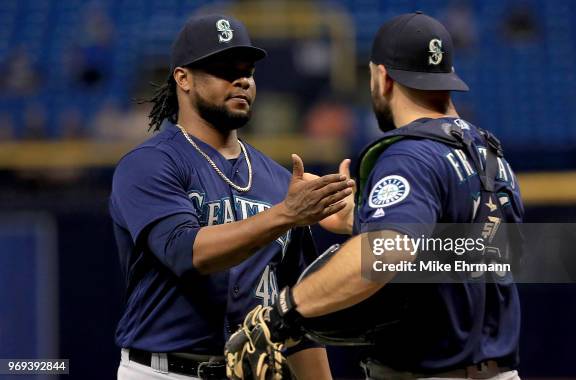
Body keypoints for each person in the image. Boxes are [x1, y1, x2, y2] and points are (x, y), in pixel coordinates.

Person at [226, 12, 524, 380]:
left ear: (383, 77)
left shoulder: (409, 154)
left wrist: (283, 312)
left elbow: (386, 252)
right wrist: (359, 217)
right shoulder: (490, 155)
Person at [109, 14, 352, 379]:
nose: (242, 80)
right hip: (163, 371)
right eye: (224, 69)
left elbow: (298, 311)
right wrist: (286, 214)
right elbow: (185, 252)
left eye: (248, 71)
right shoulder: (148, 164)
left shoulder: (279, 181)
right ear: (183, 78)